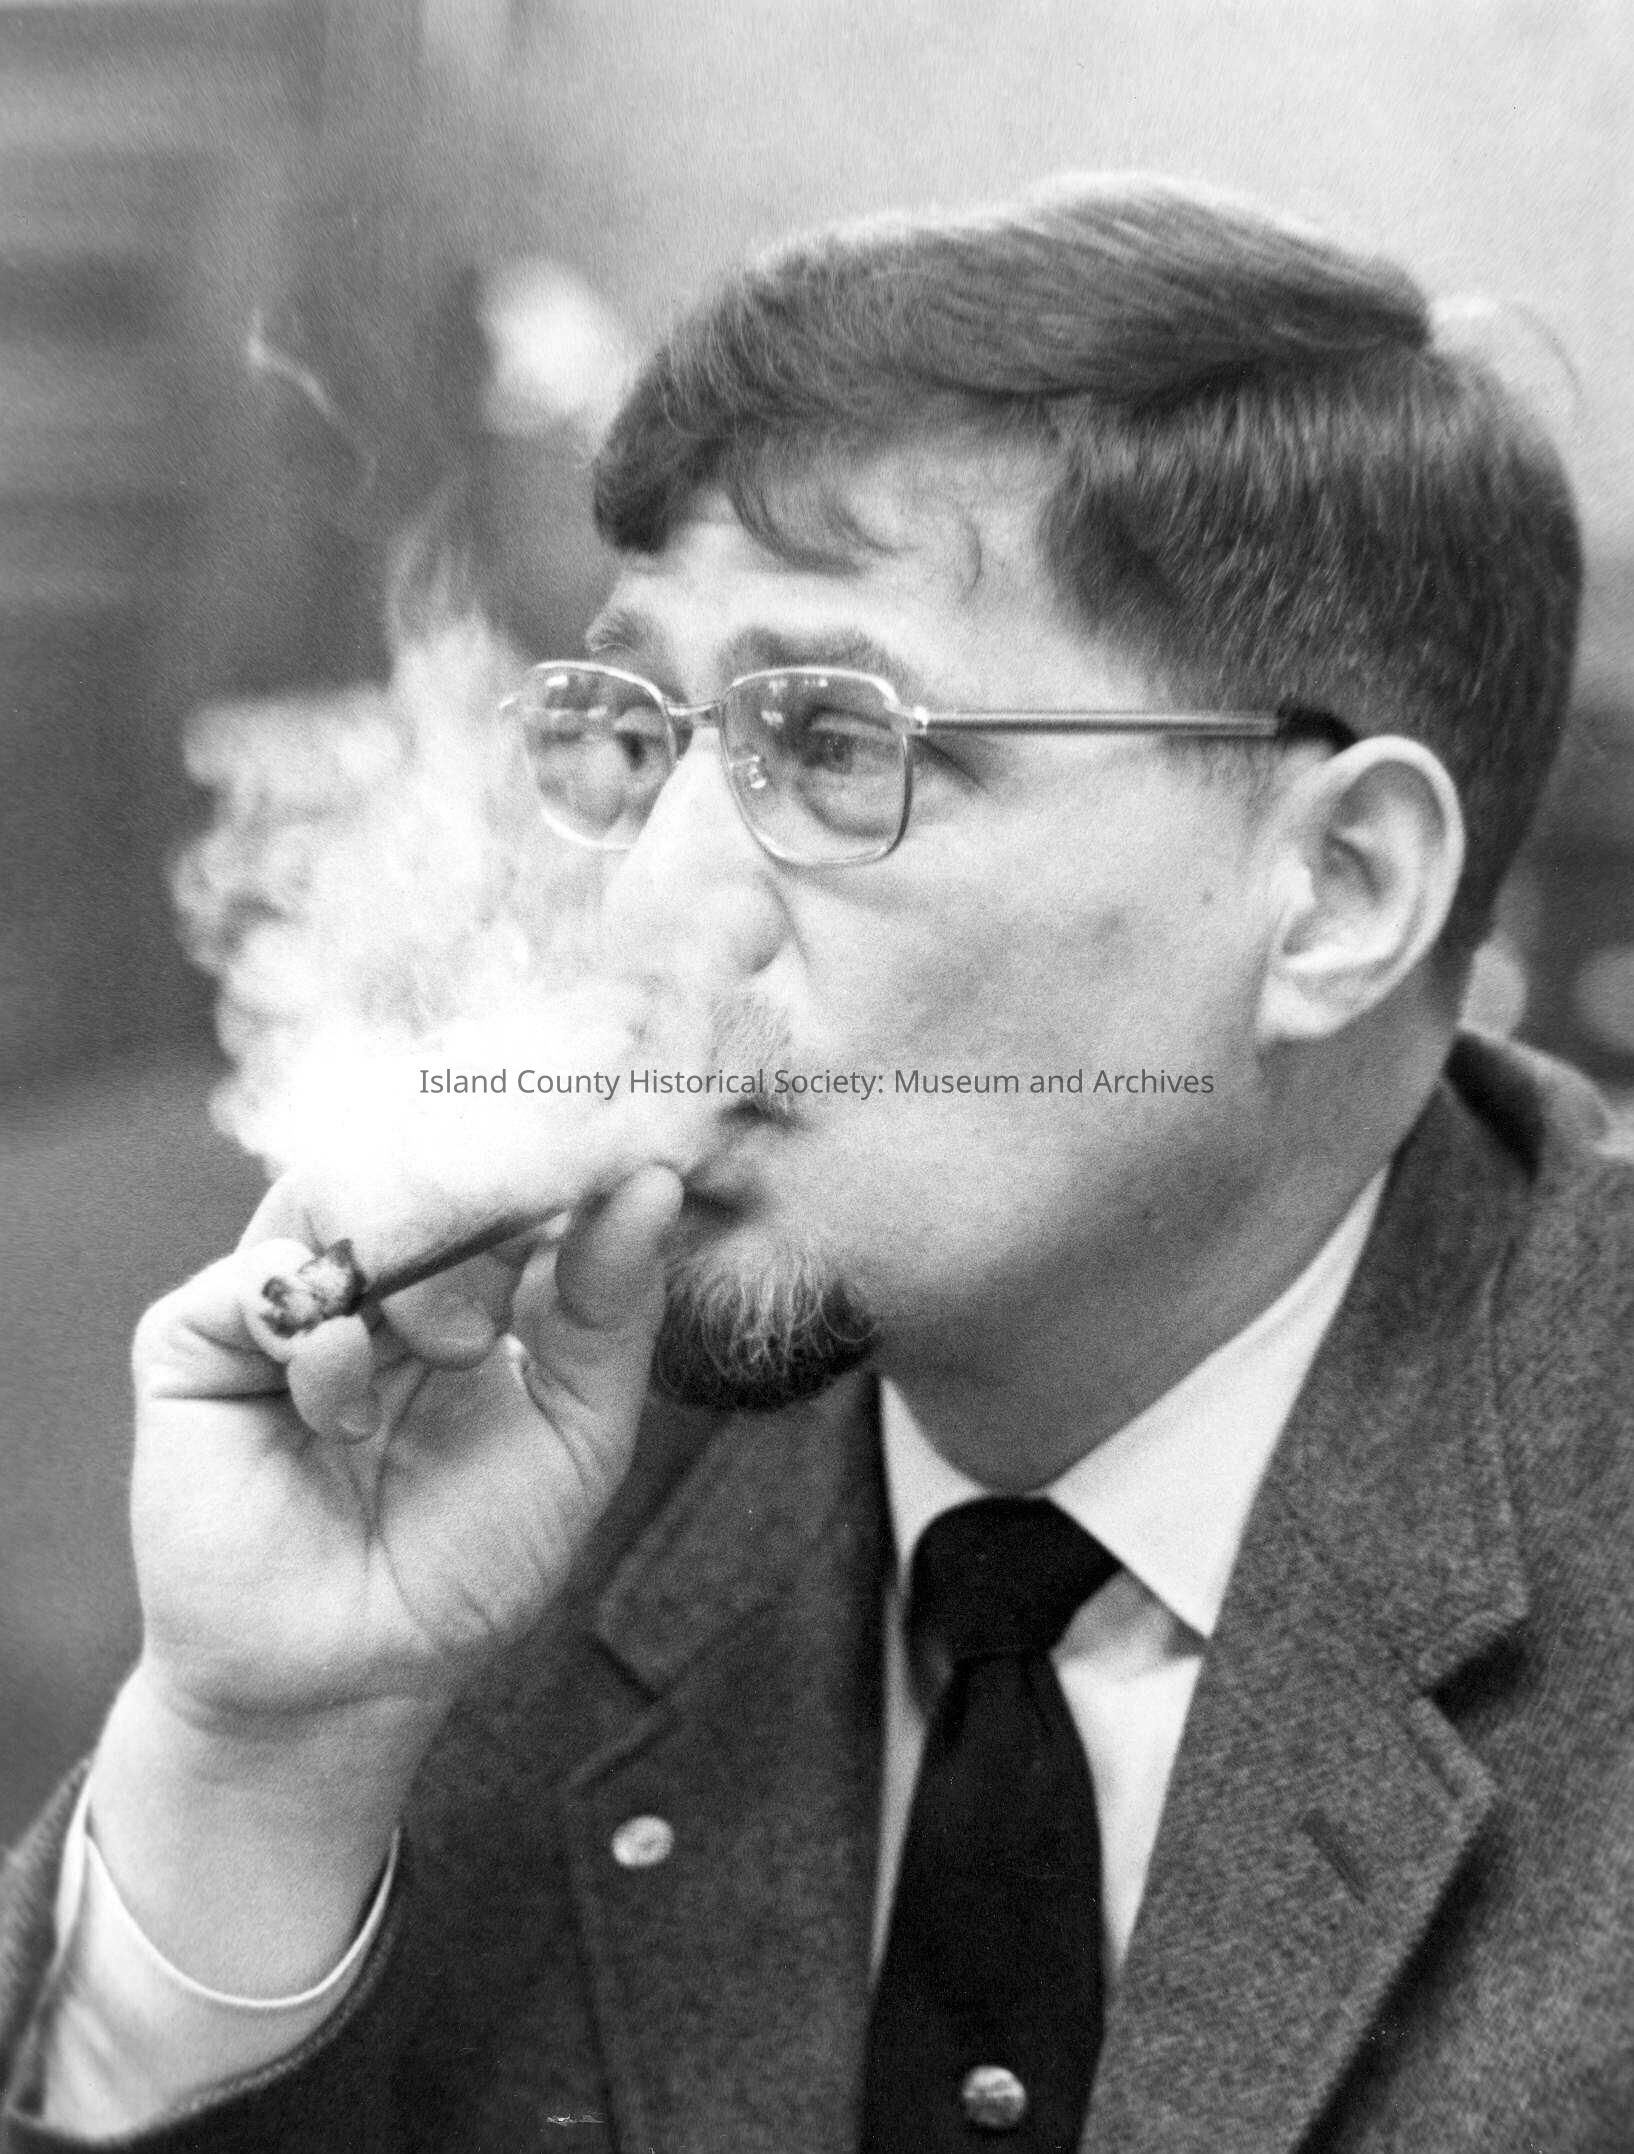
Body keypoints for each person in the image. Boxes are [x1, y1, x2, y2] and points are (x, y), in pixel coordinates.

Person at [3, 172, 1631, 2154]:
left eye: (837, 745)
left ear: (1338, 891)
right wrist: (257, 1758)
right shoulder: (493, 1466)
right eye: (643, 733)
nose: (657, 915)